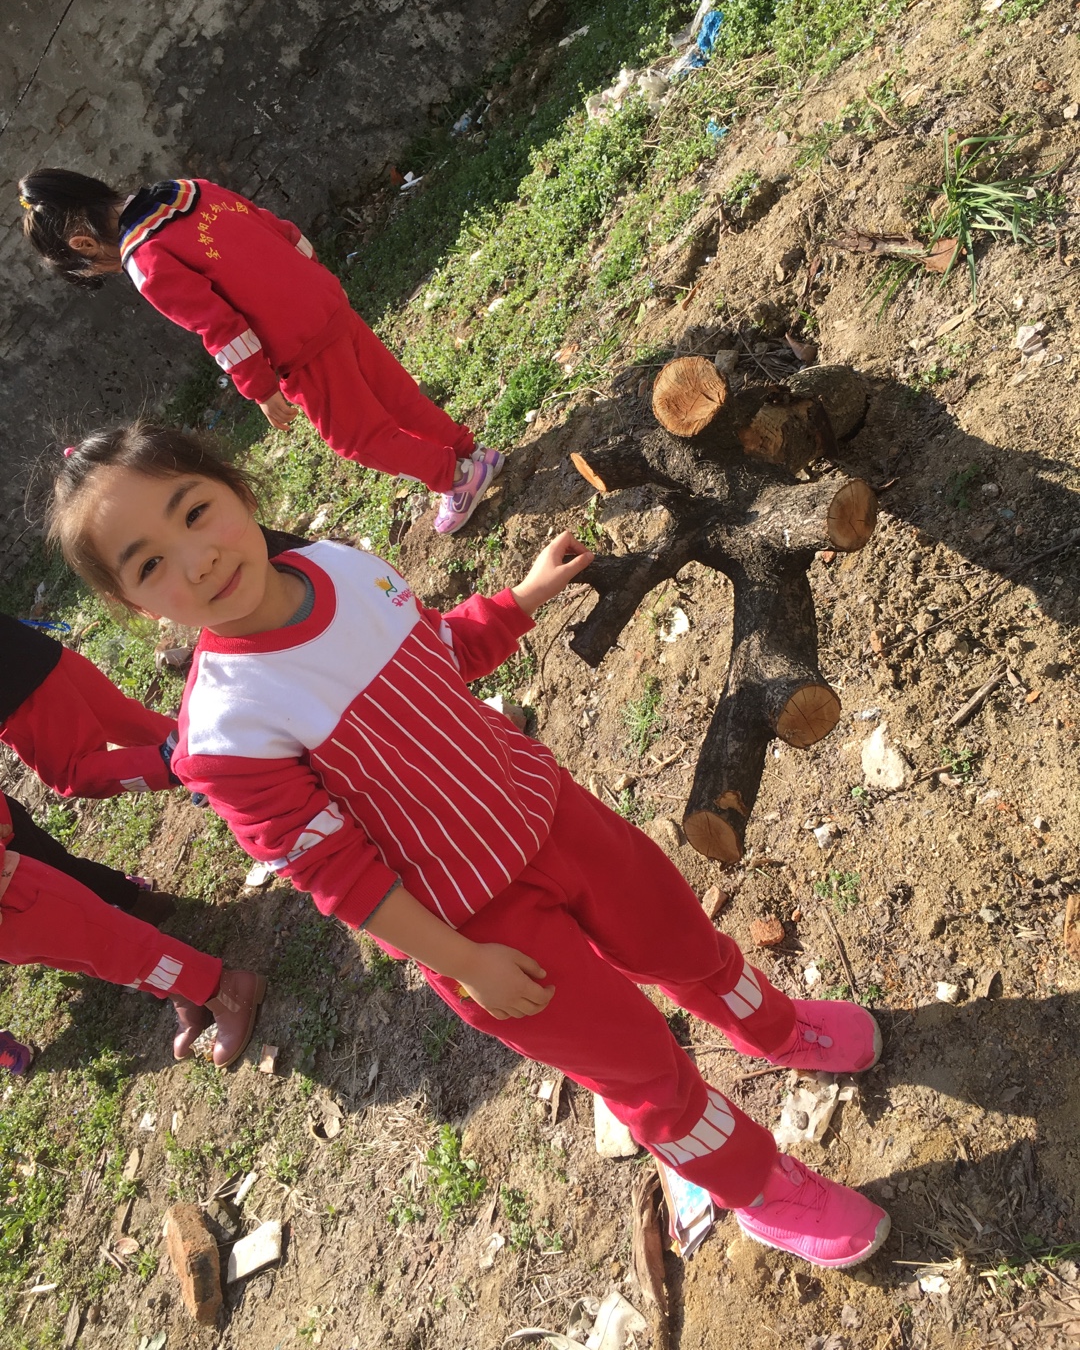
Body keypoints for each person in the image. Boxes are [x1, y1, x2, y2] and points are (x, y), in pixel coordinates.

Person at [50, 423, 892, 1270]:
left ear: (237, 489)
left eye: (194, 511)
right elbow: (336, 875)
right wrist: (463, 963)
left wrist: (519, 601)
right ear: (137, 607)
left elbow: (437, 651)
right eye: (149, 564)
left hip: (549, 810)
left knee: (682, 938)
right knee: (641, 1068)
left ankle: (773, 1026)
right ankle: (757, 1187)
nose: (195, 560)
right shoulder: (226, 731)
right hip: (477, 928)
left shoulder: (340, 566)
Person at [19, 169, 504, 534]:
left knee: (356, 437)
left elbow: (219, 325)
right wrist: (311, 278)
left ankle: (455, 477)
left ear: (84, 245)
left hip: (300, 347)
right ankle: (472, 452)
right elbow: (276, 227)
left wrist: (261, 389)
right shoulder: (189, 189)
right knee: (396, 396)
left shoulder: (145, 258)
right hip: (327, 304)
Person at [0, 796, 264, 1068]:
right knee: (99, 963)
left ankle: (224, 989)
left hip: (11, 891)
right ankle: (184, 991)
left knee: (118, 947)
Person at [1, 609, 178, 921]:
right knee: (127, 720)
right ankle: (224, 750)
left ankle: (180, 764)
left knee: (75, 772)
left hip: (17, 696)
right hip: (35, 651)